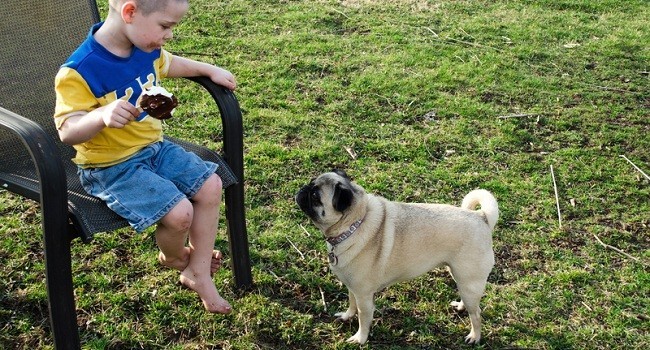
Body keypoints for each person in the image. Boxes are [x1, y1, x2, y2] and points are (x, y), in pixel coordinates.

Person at [53, 0, 236, 314]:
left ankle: (199, 273)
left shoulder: (144, 47)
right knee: (180, 214)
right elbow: (67, 132)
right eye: (165, 26)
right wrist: (101, 116)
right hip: (110, 167)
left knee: (211, 186)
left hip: (154, 149)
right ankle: (177, 259)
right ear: (129, 12)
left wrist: (209, 69)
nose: (169, 35)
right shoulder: (80, 70)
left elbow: (169, 63)